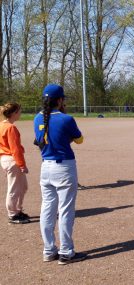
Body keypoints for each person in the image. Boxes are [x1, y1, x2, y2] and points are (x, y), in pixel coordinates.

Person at [34, 84, 87, 265]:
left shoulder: (37, 118)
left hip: (46, 167)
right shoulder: (66, 118)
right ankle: (66, 252)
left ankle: (49, 250)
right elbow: (80, 139)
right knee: (65, 210)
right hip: (63, 167)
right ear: (59, 100)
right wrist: (66, 138)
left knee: (47, 210)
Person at [0, 103, 29, 224]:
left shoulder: (2, 125)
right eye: (19, 111)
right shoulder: (10, 127)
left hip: (6, 159)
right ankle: (13, 214)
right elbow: (15, 148)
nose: (20, 113)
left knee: (22, 186)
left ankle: (17, 210)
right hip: (12, 159)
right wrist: (22, 165)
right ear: (14, 113)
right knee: (15, 188)